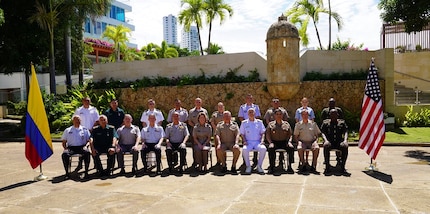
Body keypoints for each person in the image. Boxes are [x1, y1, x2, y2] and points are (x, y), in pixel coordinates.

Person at [61, 115, 91, 179]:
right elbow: (64, 142)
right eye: (76, 120)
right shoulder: (67, 130)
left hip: (82, 147)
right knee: (64, 155)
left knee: (87, 153)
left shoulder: (85, 129)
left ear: (81, 121)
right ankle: (67, 173)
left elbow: (89, 140)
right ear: (73, 121)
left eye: (79, 120)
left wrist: (86, 146)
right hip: (71, 148)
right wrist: (65, 148)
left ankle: (86, 172)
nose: (77, 121)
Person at [321, 109, 349, 175]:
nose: (333, 116)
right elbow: (323, 132)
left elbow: (346, 132)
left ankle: (342, 167)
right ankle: (327, 166)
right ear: (329, 115)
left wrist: (345, 140)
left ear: (338, 115)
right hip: (330, 142)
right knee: (326, 146)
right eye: (332, 114)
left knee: (344, 146)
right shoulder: (325, 123)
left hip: (339, 142)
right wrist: (326, 140)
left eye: (335, 114)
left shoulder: (342, 122)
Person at [265, 109, 294, 174]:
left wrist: (289, 142)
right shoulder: (270, 124)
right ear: (274, 115)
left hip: (284, 142)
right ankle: (272, 167)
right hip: (274, 142)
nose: (279, 116)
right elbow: (268, 135)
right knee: (271, 148)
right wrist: (270, 143)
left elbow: (290, 135)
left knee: (291, 148)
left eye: (280, 114)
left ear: (282, 115)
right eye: (277, 114)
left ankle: (290, 166)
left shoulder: (286, 124)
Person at [240, 108, 266, 174]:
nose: (251, 114)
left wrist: (262, 141)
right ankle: (248, 166)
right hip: (248, 142)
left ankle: (259, 166)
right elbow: (242, 134)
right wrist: (244, 141)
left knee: (263, 149)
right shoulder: (244, 123)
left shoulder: (260, 122)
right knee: (244, 149)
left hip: (257, 142)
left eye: (252, 112)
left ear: (255, 113)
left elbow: (263, 133)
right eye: (250, 112)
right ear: (248, 114)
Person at [238, 94, 261, 166]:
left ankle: (255, 158)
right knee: (244, 142)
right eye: (248, 98)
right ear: (246, 99)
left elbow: (258, 116)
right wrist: (246, 123)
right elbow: (240, 117)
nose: (249, 100)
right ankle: (245, 159)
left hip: (254, 125)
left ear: (253, 99)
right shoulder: (242, 107)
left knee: (256, 140)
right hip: (245, 126)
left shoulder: (256, 107)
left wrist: (252, 122)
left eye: (251, 98)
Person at [210, 102, 225, 167]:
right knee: (217, 148)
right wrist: (217, 130)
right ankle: (218, 161)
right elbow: (212, 122)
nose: (220, 108)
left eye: (221, 107)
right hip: (216, 133)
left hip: (225, 134)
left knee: (224, 147)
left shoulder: (226, 114)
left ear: (223, 107)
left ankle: (224, 161)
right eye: (219, 107)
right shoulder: (214, 114)